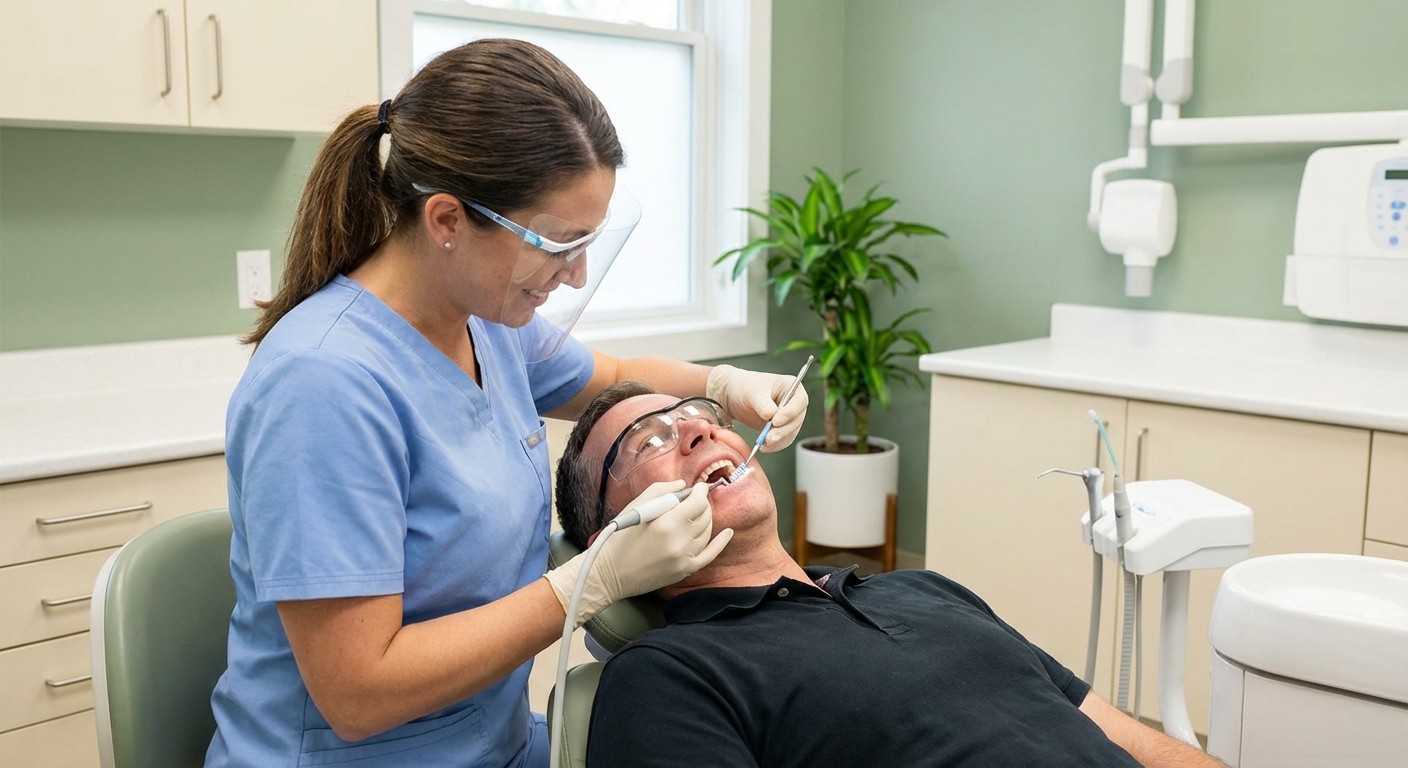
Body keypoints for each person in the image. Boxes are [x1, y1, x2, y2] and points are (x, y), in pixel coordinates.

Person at [206, 39, 809, 768]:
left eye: (590, 238)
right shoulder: (322, 385)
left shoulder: (485, 322)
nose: (577, 270)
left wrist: (721, 384)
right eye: (558, 242)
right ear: (447, 221)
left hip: (495, 744)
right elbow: (358, 693)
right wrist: (590, 583)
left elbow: (613, 371)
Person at [554, 382, 1228, 768]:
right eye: (650, 441)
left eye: (702, 417)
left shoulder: (923, 589)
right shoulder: (669, 675)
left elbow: (1122, 735)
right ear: (607, 538)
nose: (699, 433)